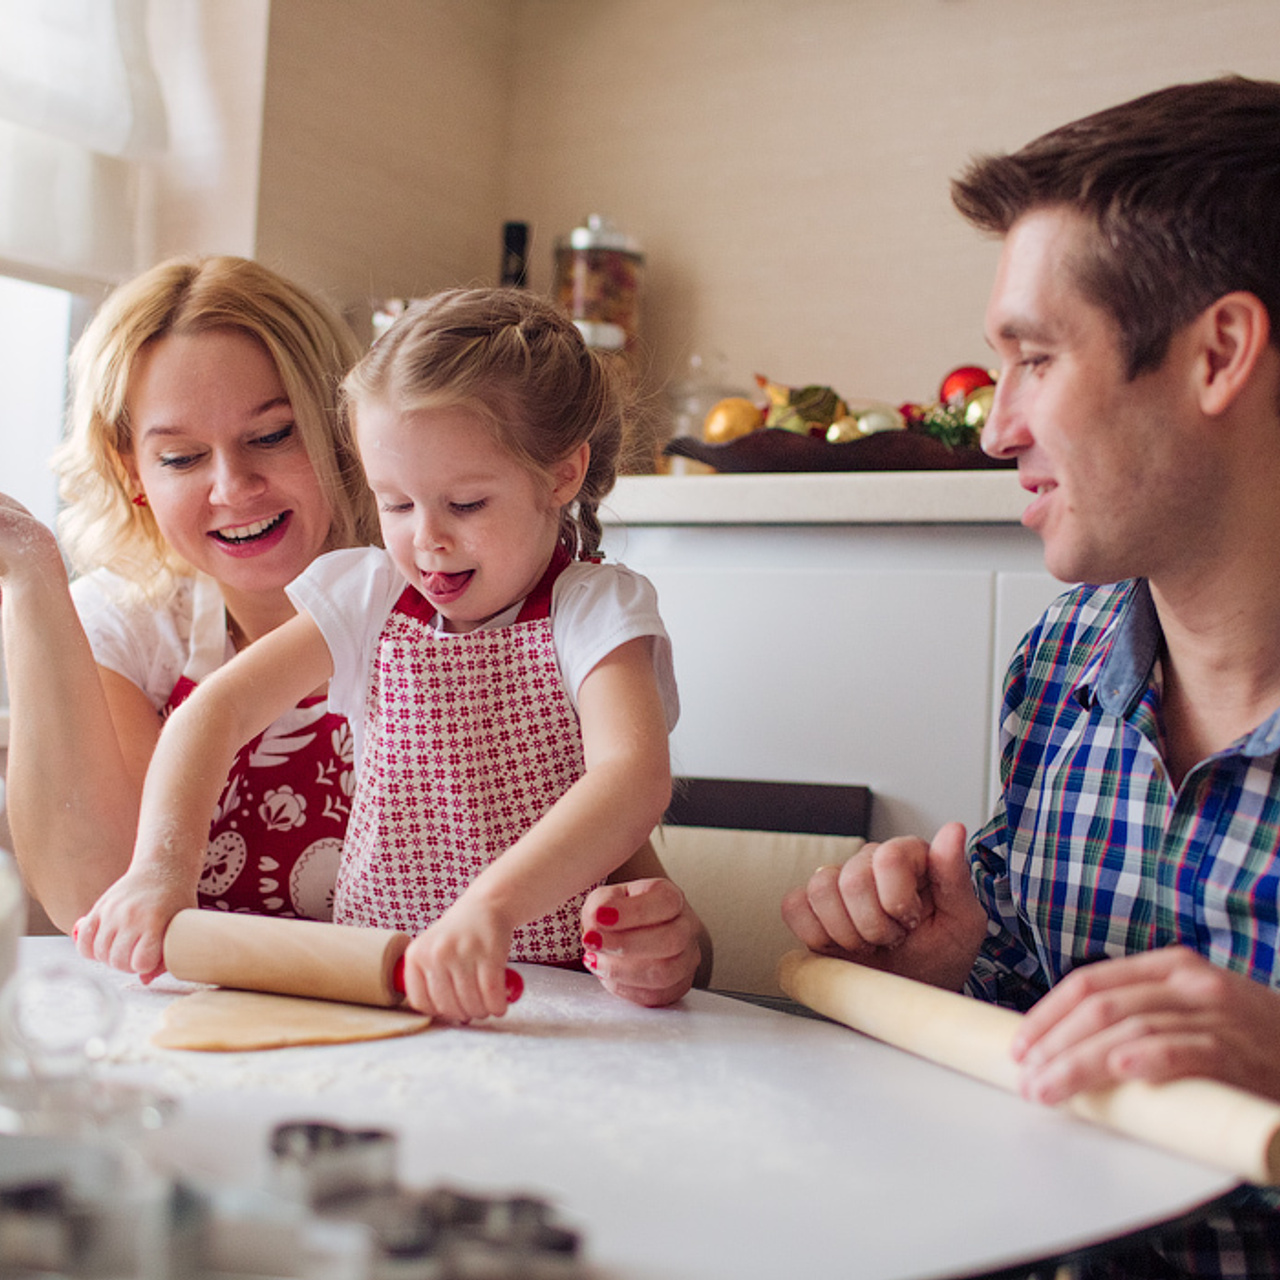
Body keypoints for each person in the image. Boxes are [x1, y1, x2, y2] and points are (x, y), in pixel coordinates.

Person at [781, 77, 1280, 1277]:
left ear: (1217, 353)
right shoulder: (1057, 667)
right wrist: (944, 971)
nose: (998, 427)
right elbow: (1031, 1024)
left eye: (1035, 360)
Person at [2, 257, 706, 1008]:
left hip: (536, 1005)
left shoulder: (578, 614)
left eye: (272, 435)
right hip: (340, 1008)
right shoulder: (357, 599)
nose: (232, 489)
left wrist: (661, 947)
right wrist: (158, 870)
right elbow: (198, 735)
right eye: (180, 455)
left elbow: (627, 800)